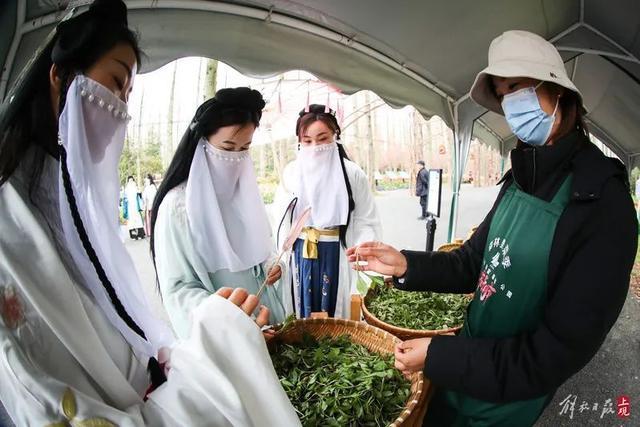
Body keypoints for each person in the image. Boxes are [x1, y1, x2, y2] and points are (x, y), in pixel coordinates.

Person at [0, 1, 299, 425]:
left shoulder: (72, 203)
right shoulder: (14, 217)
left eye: (128, 94)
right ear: (58, 76)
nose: (121, 106)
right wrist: (219, 329)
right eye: (115, 83)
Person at [347, 30, 637, 427]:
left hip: (509, 394)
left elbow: (557, 351)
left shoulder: (602, 203)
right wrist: (404, 266)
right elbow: (472, 262)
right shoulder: (521, 176)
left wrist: (440, 356)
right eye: (502, 94)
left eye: (516, 87)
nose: (509, 104)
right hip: (465, 363)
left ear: (558, 92)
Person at [151, 88, 287, 338]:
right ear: (203, 144)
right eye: (227, 147)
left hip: (268, 322)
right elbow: (179, 290)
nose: (236, 158)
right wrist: (235, 324)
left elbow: (262, 249)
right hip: (226, 335)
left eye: (245, 147)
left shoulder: (244, 195)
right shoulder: (179, 206)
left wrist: (270, 264)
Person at [272, 104, 382, 319]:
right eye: (307, 140)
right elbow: (280, 219)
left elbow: (365, 220)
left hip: (337, 253)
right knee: (300, 310)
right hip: (300, 253)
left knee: (335, 312)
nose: (315, 146)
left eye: (322, 139)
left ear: (335, 136)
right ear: (299, 142)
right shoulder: (292, 173)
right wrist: (280, 259)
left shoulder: (352, 174)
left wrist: (362, 254)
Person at [124, 175, 145, 239]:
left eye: (132, 180)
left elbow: (139, 195)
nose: (131, 181)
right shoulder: (127, 189)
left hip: (136, 207)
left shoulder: (135, 187)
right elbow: (125, 198)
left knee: (138, 220)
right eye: (129, 180)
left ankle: (140, 234)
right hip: (130, 207)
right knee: (131, 222)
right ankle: (133, 235)